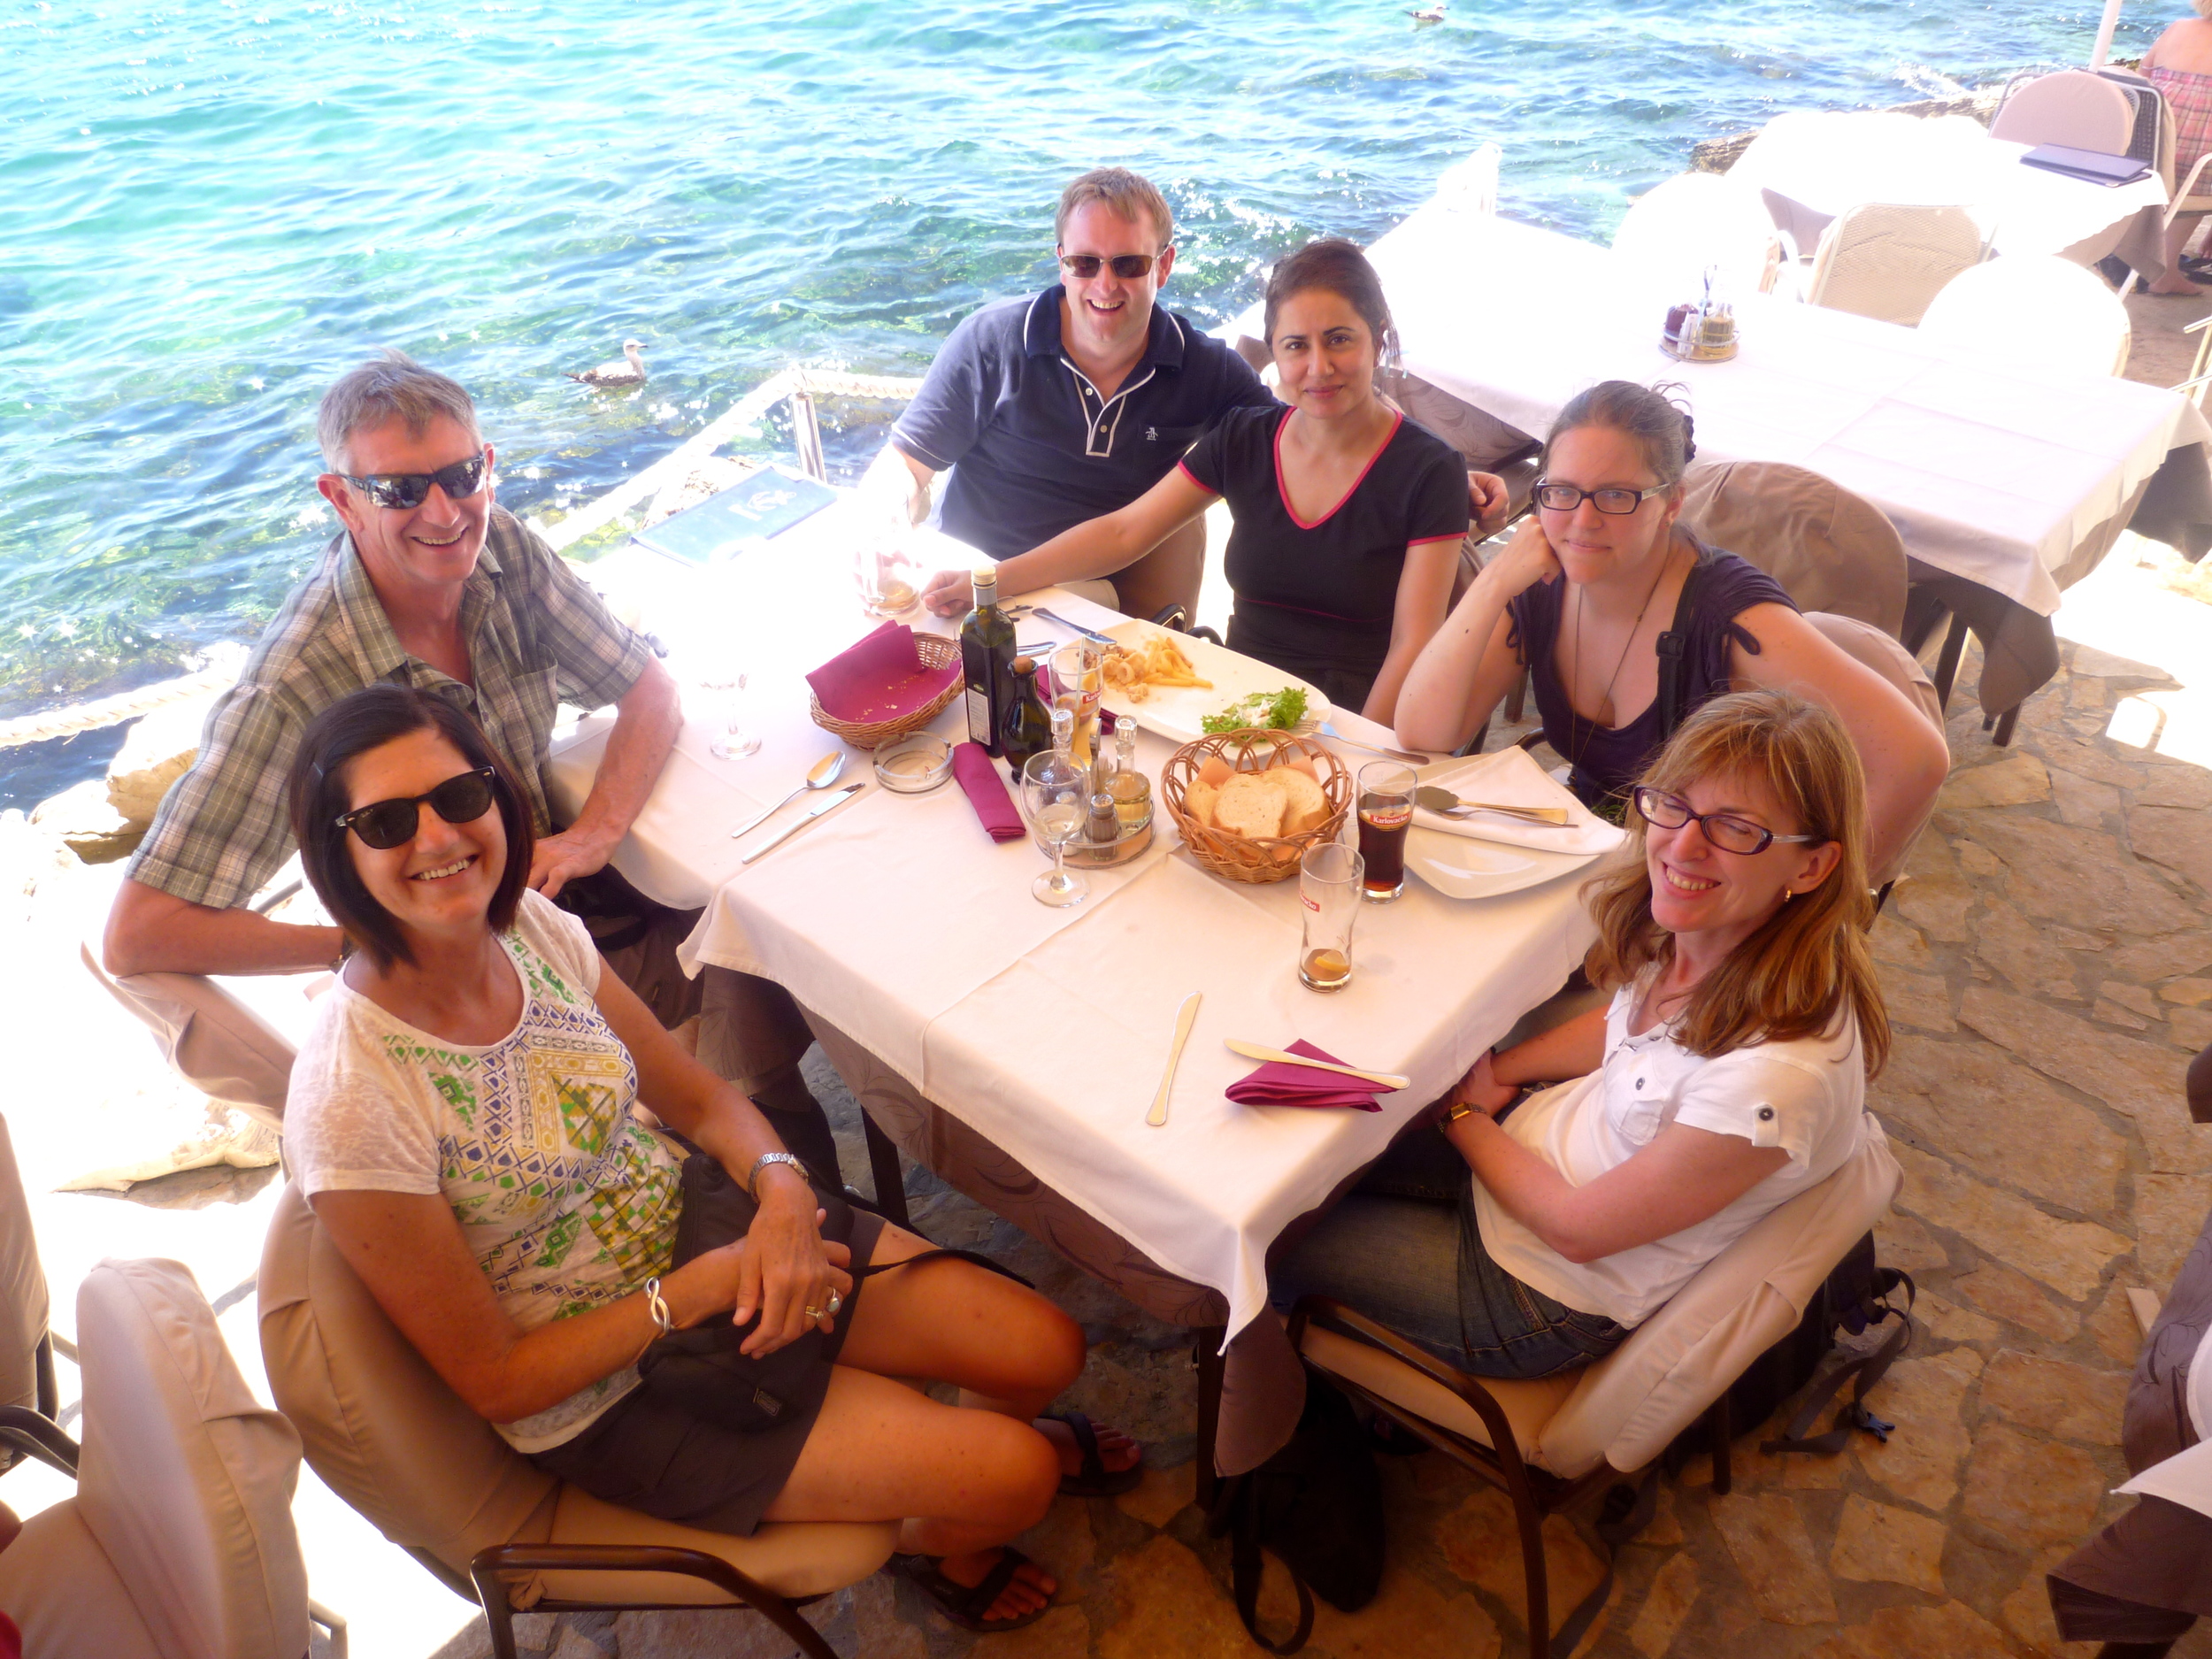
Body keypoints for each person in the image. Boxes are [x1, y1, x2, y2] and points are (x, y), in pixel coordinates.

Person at [280, 685, 1138, 1632]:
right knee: (1016, 1478)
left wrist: (778, 1195)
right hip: (614, 1385)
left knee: (1045, 1349)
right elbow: (499, 1379)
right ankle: (947, 1536)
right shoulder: (353, 1098)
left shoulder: (529, 929)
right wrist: (692, 1293)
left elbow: (697, 1098)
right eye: (387, 820)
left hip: (718, 1234)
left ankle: (941, 1463)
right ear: (338, 852)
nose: (438, 837)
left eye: (458, 796)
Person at [101, 349, 844, 1184]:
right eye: (400, 489)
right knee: (755, 974)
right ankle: (791, 1191)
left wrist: (595, 832)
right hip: (461, 962)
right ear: (341, 499)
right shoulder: (296, 681)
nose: (445, 510)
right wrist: (375, 934)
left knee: (796, 912)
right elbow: (138, 931)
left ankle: (795, 1163)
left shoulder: (503, 549)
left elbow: (647, 686)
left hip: (557, 901)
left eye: (461, 474)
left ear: (487, 464)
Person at [1275, 690, 1885, 1378]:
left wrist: (1458, 1111)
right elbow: (1625, 1027)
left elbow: (1578, 1230)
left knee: (1265, 1246)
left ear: (1812, 865)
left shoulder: (1776, 1077)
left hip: (1535, 1293)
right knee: (1306, 1159)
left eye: (1737, 828)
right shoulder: (1717, 928)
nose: (1682, 844)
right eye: (1676, 804)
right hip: (1529, 1152)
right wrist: (1503, 1072)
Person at [873, 169, 1507, 625]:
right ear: (1060, 262)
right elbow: (906, 466)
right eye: (1085, 264)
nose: (1105, 284)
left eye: (1129, 265)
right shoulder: (992, 341)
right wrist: (882, 521)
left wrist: (1440, 469)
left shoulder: (1202, 369)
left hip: (1078, 592)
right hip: (965, 571)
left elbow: (1329, 420)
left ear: (1164, 267)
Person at [1393, 380, 1947, 879]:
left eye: (1617, 495)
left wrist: (1799, 916)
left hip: (1694, 881)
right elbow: (1423, 734)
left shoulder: (1729, 615)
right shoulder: (1538, 585)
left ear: (1671, 503)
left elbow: (1914, 760)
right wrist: (1493, 585)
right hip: (1594, 856)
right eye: (1561, 491)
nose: (1582, 522)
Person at [922, 240, 1471, 722]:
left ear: (1378, 338)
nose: (1318, 368)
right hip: (1235, 699)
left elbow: (1412, 645)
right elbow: (1124, 533)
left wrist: (1355, 754)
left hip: (1359, 710)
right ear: (1275, 354)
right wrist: (992, 584)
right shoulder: (1245, 438)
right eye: (1296, 346)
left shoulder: (1429, 472)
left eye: (1339, 340)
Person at [2141, 5, 2212, 296]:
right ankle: (2165, 273)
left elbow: (2144, 80)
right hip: (2196, 173)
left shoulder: (2178, 28)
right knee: (2198, 167)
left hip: (2147, 151)